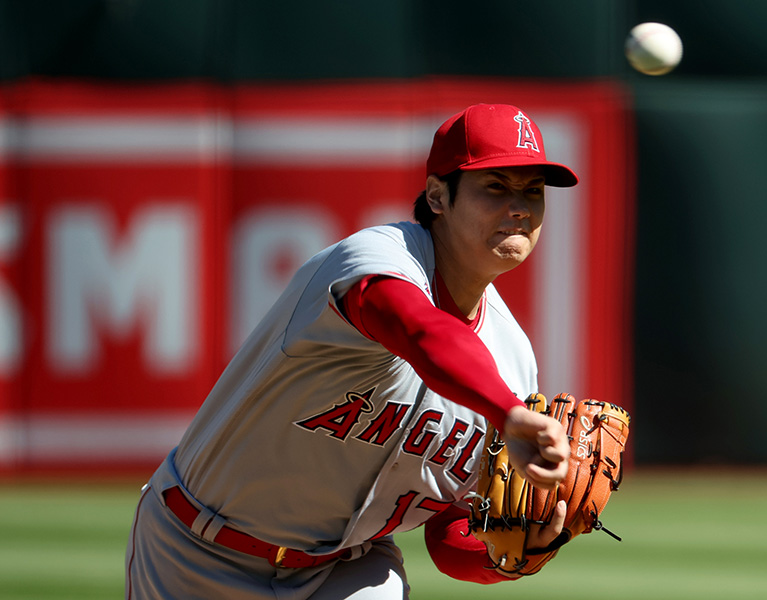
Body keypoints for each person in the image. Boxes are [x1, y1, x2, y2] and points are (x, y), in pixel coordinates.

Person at [125, 103, 580, 599]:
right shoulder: (375, 258)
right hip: (196, 552)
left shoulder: (513, 358)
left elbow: (448, 531)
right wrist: (507, 411)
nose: (519, 207)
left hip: (346, 569)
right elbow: (420, 330)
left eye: (532, 191)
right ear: (437, 196)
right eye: (496, 186)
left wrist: (509, 556)